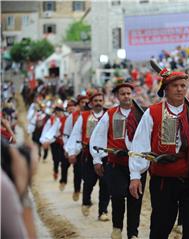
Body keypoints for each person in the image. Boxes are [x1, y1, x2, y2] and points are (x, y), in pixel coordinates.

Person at [129, 67, 189, 239]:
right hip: (164, 181)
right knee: (160, 226)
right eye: (175, 86)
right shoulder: (153, 113)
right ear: (165, 90)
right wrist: (135, 175)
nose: (180, 89)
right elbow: (140, 145)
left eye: (183, 85)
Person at [90, 79, 146, 239]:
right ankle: (117, 227)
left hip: (138, 164)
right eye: (123, 94)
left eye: (129, 93)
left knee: (135, 199)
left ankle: (133, 233)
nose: (126, 96)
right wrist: (97, 159)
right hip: (116, 163)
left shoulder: (141, 113)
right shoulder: (110, 114)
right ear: (116, 96)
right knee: (117, 195)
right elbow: (98, 136)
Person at [66, 90, 110, 221]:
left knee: (105, 184)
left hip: (105, 154)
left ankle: (103, 211)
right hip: (88, 155)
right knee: (89, 182)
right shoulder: (84, 116)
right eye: (95, 101)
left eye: (100, 101)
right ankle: (86, 202)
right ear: (91, 103)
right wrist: (72, 152)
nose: (98, 103)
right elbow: (75, 134)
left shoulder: (109, 115)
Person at [63, 94, 89, 201]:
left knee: (87, 173)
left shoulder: (92, 115)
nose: (84, 104)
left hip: (88, 148)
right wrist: (68, 149)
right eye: (82, 102)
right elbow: (66, 134)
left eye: (86, 102)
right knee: (77, 171)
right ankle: (77, 189)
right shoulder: (72, 116)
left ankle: (87, 197)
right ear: (78, 104)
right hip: (77, 147)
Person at [40, 104, 69, 190]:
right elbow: (47, 131)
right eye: (57, 112)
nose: (58, 113)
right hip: (54, 142)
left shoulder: (67, 119)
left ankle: (63, 179)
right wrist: (45, 140)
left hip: (64, 143)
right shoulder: (51, 120)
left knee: (64, 162)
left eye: (60, 111)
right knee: (55, 159)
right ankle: (56, 170)